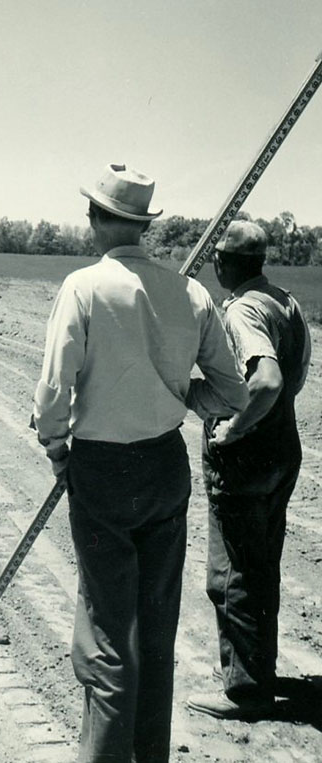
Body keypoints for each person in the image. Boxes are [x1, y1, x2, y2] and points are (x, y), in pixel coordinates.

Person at [32, 164, 249, 763]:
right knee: (156, 633)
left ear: (102, 221)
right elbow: (234, 392)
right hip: (164, 469)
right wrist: (181, 396)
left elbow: (54, 391)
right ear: (143, 226)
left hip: (101, 471)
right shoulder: (193, 294)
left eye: (90, 213)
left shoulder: (83, 287)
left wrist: (56, 447)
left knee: (107, 637)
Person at [186, 221, 311, 720]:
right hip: (283, 447)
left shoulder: (241, 311)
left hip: (246, 458)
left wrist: (234, 428)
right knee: (262, 566)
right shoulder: (286, 300)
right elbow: (297, 373)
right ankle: (260, 669)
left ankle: (243, 691)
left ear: (225, 261)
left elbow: (270, 379)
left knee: (232, 574)